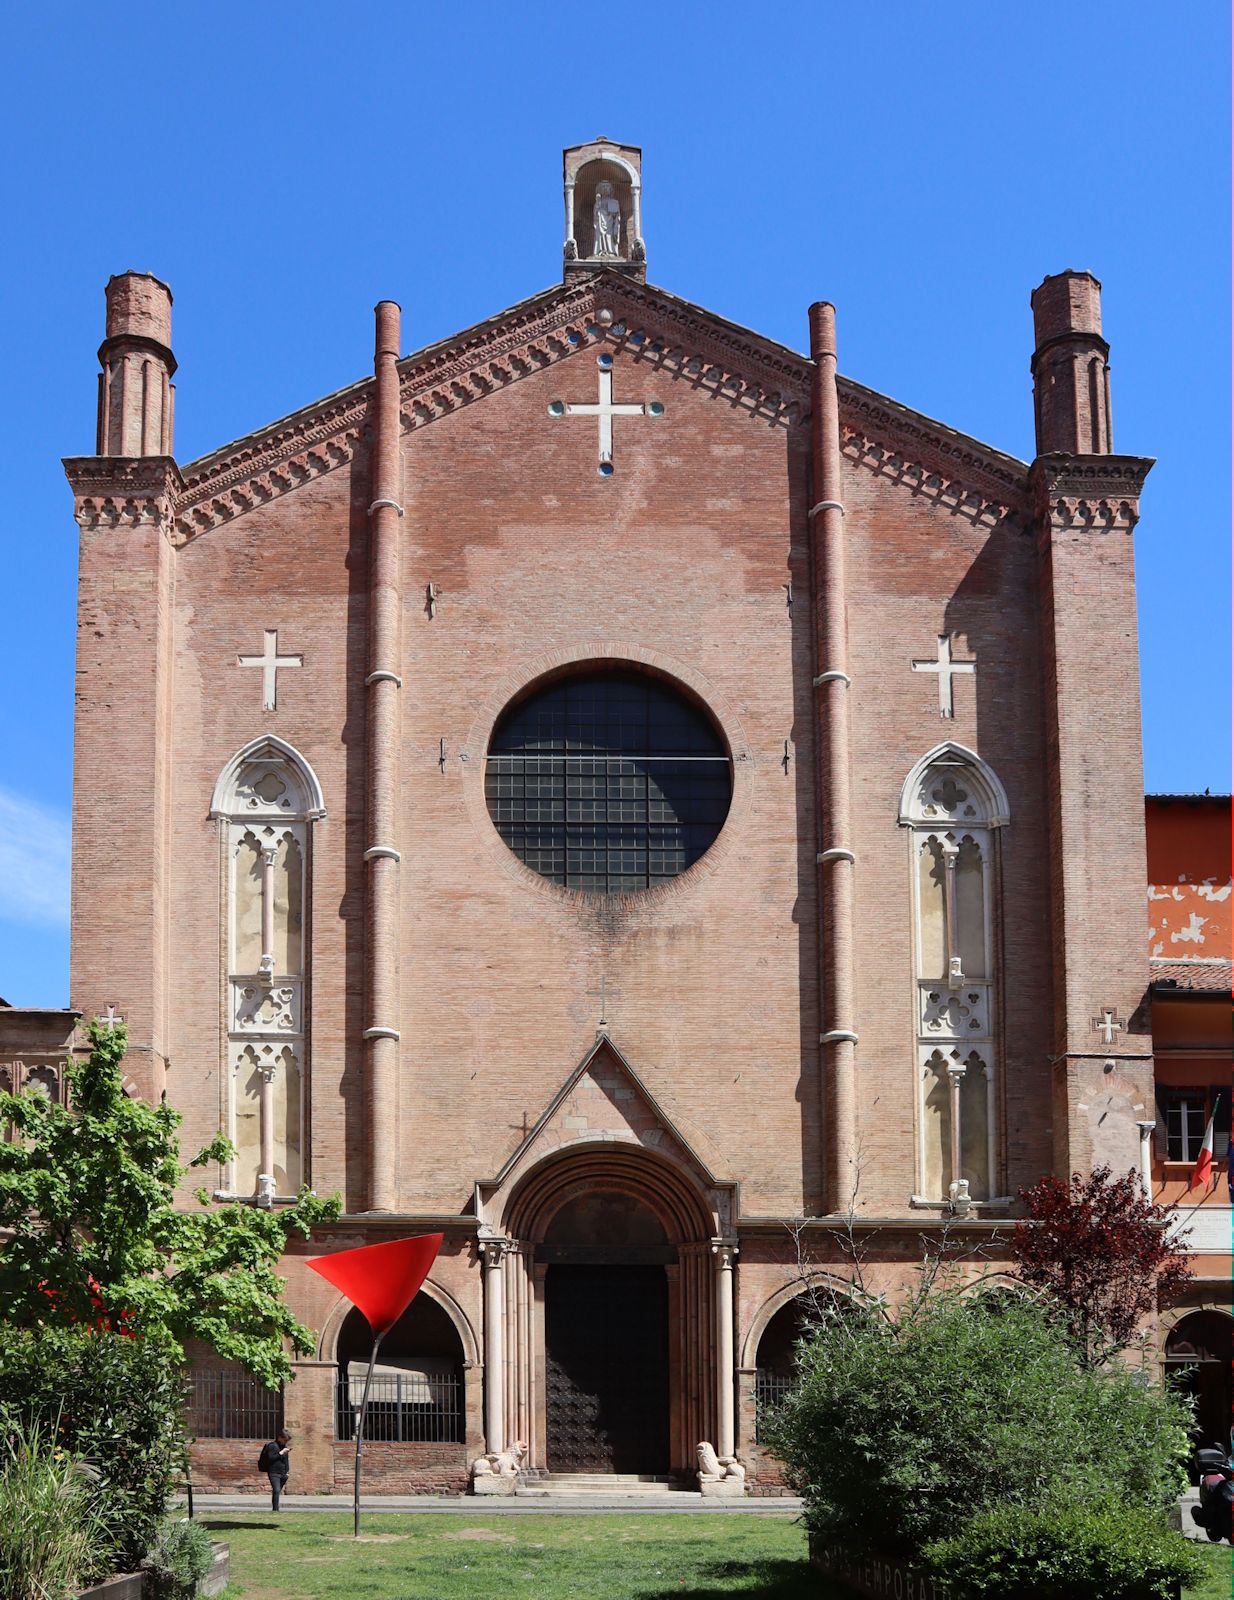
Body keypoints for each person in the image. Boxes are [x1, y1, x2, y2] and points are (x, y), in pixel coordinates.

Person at [258, 1430, 292, 1511]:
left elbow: (286, 1461)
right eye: (285, 1440)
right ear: (280, 1438)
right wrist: (281, 1453)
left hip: (283, 1473)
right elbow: (270, 1459)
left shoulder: (283, 1447)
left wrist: (287, 1472)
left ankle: (275, 1508)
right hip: (274, 1472)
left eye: (287, 1441)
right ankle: (275, 1509)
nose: (286, 1442)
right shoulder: (272, 1446)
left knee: (277, 1492)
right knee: (276, 1490)